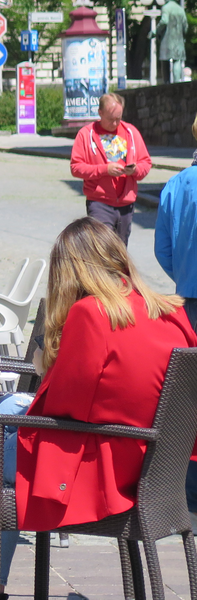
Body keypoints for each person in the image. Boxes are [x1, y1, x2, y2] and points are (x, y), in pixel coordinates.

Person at [0, 218, 197, 600]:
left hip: (105, 471)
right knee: (7, 413)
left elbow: (65, 406)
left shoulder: (92, 312)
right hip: (153, 463)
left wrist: (44, 364)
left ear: (71, 270)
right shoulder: (170, 312)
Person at [152, 109, 197, 533]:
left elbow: (162, 249)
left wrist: (185, 274)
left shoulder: (175, 186)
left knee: (188, 398)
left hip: (187, 301)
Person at [69, 92, 152, 245]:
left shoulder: (131, 132)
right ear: (100, 113)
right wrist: (104, 170)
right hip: (99, 203)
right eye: (110, 119)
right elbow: (76, 167)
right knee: (102, 248)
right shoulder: (86, 134)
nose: (115, 124)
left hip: (126, 204)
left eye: (118, 119)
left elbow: (146, 163)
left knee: (120, 251)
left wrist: (134, 170)